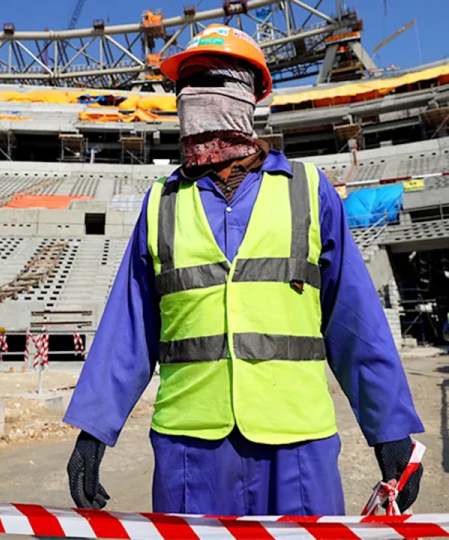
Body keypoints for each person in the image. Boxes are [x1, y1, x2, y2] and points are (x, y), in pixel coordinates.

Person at [63, 24, 424, 515]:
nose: (192, 96)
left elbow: (355, 321)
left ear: (247, 95)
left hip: (298, 444)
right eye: (183, 86)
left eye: (208, 80)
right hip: (189, 447)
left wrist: (390, 431)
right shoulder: (160, 205)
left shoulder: (308, 192)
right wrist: (93, 431)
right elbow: (128, 331)